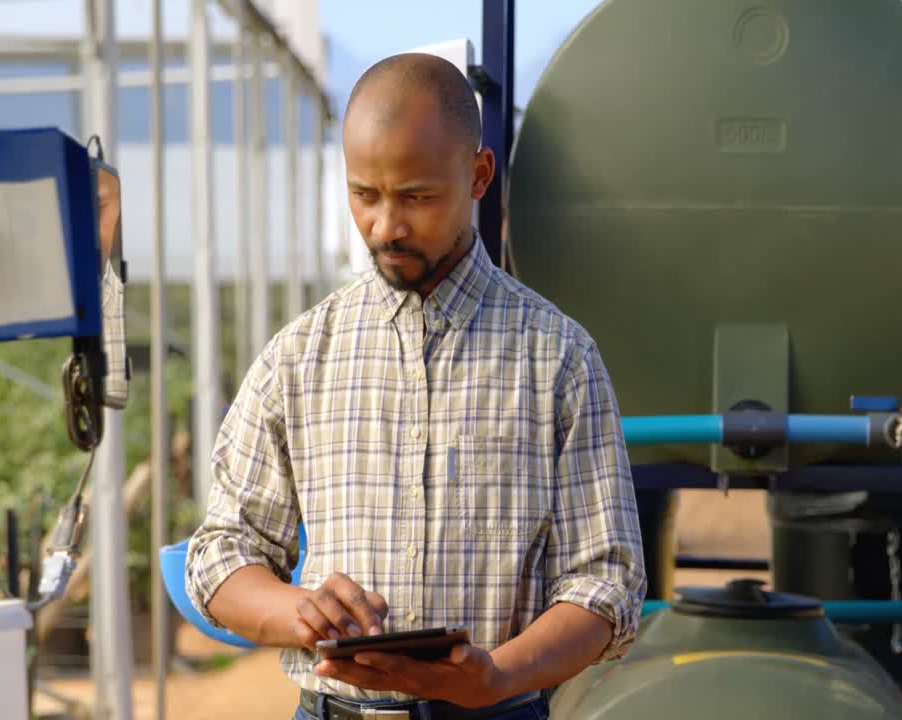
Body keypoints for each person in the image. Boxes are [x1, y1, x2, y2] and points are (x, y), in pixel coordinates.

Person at [186, 52, 646, 719]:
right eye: (364, 195)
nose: (385, 226)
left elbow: (608, 582)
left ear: (479, 175)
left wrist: (497, 675)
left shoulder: (558, 359)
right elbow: (220, 552)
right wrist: (302, 611)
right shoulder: (299, 357)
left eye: (417, 197)